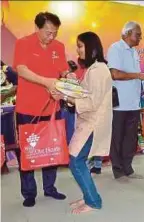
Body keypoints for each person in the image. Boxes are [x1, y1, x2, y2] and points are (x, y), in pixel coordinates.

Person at [13, 12, 69, 207]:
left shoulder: (59, 47)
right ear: (36, 28)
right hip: (28, 108)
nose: (51, 37)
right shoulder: (23, 43)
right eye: (47, 32)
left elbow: (63, 71)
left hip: (53, 107)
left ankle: (50, 188)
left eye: (54, 32)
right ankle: (29, 193)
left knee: (52, 148)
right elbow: (21, 69)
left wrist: (67, 81)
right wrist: (46, 82)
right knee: (28, 151)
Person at [58, 32, 112, 214]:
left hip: (92, 124)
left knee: (75, 161)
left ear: (92, 48)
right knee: (77, 160)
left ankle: (93, 200)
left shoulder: (98, 70)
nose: (78, 50)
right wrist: (74, 83)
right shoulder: (94, 69)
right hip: (88, 122)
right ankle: (88, 195)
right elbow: (86, 93)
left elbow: (90, 102)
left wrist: (65, 95)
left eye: (80, 46)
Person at [107, 21, 144, 181]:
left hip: (134, 102)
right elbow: (115, 74)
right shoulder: (115, 48)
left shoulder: (134, 52)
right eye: (138, 34)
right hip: (119, 103)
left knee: (131, 138)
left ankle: (128, 168)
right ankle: (118, 170)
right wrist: (137, 75)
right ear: (127, 34)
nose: (140, 37)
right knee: (117, 137)